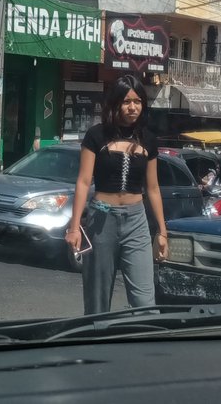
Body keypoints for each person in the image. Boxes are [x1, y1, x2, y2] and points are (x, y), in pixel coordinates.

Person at [66, 75, 168, 314]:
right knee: (98, 300)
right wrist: (74, 227)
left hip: (137, 221)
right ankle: (97, 344)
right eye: (126, 102)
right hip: (102, 219)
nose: (133, 107)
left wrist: (162, 232)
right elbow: (83, 181)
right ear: (115, 104)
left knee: (145, 302)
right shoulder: (96, 135)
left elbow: (152, 188)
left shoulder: (148, 140)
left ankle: (141, 347)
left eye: (138, 101)